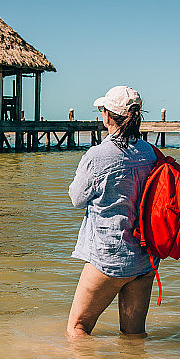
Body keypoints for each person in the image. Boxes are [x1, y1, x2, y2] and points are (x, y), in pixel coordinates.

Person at [66, 86, 158, 338]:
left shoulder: (98, 155)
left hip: (109, 256)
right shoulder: (150, 152)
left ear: (107, 116)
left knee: (78, 328)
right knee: (134, 335)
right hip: (145, 258)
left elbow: (77, 198)